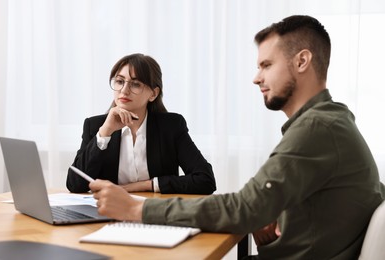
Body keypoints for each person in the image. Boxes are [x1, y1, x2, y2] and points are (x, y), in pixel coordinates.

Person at [88, 16, 385, 259]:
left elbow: (244, 207)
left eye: (266, 65)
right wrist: (278, 218)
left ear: (302, 61)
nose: (257, 77)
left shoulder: (318, 128)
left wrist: (136, 207)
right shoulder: (331, 121)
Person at [67, 53, 216, 195]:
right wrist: (105, 133)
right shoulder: (95, 126)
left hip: (154, 211)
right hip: (110, 212)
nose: (124, 91)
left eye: (135, 84)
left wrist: (147, 185)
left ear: (153, 94)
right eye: (119, 81)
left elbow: (205, 180)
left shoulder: (171, 126)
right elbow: (75, 185)